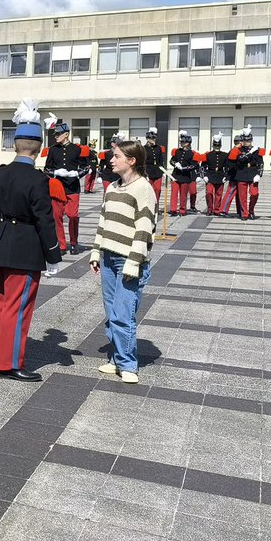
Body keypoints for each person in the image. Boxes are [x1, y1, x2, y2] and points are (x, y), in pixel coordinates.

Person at [0, 99, 62, 382]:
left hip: (2, 243)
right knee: (18, 309)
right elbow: (44, 219)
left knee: (0, 304)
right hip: (26, 248)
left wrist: (4, 232)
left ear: (15, 144)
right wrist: (53, 254)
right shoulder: (38, 180)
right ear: (39, 147)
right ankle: (11, 362)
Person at [90, 139, 157, 384]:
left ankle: (128, 364)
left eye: (116, 156)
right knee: (111, 312)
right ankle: (117, 359)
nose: (111, 160)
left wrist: (134, 261)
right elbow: (103, 223)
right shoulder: (112, 188)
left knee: (124, 313)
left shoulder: (143, 188)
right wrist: (96, 252)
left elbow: (144, 228)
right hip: (108, 257)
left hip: (129, 260)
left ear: (132, 161)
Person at [43, 116, 84, 254]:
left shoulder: (76, 149)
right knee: (56, 216)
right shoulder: (53, 150)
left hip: (73, 186)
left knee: (73, 215)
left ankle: (73, 242)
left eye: (58, 134)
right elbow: (46, 169)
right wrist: (55, 172)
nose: (56, 136)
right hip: (57, 187)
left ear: (66, 134)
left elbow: (86, 167)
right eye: (55, 134)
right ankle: (61, 245)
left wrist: (76, 174)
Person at [230, 126, 263, 220]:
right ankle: (244, 213)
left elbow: (261, 163)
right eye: (245, 140)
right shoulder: (238, 150)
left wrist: (259, 174)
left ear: (251, 140)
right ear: (242, 140)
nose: (246, 142)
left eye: (248, 140)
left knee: (254, 194)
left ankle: (251, 210)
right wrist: (250, 153)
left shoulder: (257, 149)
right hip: (241, 173)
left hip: (253, 173)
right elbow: (240, 160)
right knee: (242, 196)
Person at [167, 130, 198, 217]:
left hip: (185, 176)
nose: (181, 143)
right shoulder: (177, 151)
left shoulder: (192, 153)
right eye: (181, 142)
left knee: (183, 194)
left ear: (188, 143)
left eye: (183, 142)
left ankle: (182, 209)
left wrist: (184, 168)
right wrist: (175, 163)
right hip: (176, 175)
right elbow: (171, 160)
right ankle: (173, 209)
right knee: (174, 193)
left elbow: (194, 165)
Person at [202, 133, 228, 215]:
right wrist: (204, 175)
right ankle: (210, 209)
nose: (217, 147)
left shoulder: (224, 155)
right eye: (215, 145)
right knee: (209, 192)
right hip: (210, 175)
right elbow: (203, 166)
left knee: (218, 194)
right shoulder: (208, 155)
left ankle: (217, 209)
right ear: (213, 145)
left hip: (220, 175)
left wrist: (226, 176)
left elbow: (227, 167)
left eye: (218, 145)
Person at [143, 127, 166, 200]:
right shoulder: (144, 148)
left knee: (158, 189)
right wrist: (144, 173)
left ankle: (156, 206)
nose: (153, 140)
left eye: (154, 139)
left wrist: (163, 171)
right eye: (151, 139)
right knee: (149, 190)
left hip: (158, 171)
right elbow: (142, 161)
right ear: (147, 139)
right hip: (148, 171)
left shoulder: (158, 148)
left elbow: (161, 160)